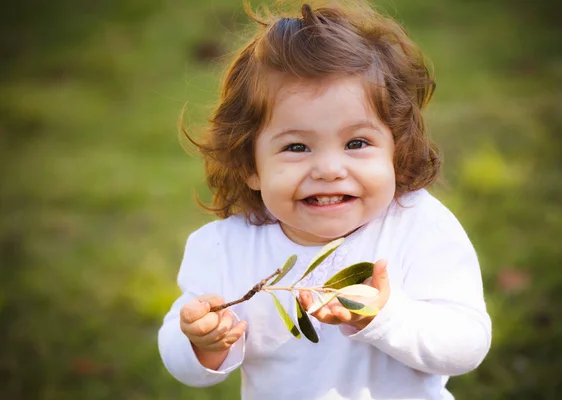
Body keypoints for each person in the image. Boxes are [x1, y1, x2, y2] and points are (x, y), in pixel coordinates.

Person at [158, 1, 492, 399]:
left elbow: (467, 345)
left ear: (396, 151)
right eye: (297, 146)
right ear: (251, 164)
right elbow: (186, 368)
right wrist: (202, 343)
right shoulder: (224, 249)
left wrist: (385, 317)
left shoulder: (418, 226)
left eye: (356, 143)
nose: (329, 169)